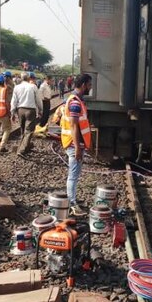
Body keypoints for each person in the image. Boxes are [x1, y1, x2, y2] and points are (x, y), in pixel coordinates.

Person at [60, 74, 93, 216]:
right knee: (73, 175)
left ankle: (72, 200)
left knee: (75, 173)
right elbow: (73, 126)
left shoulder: (78, 100)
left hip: (77, 143)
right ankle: (71, 204)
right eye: (90, 84)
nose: (91, 87)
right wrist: (78, 147)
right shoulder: (75, 102)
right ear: (84, 84)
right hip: (74, 144)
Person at [11, 72, 42, 156]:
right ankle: (22, 150)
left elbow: (14, 101)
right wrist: (40, 109)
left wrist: (12, 113)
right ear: (28, 78)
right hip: (30, 110)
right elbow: (38, 100)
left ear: (21, 78)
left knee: (22, 129)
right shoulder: (33, 86)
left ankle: (24, 146)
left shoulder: (16, 87)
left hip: (20, 110)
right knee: (29, 130)